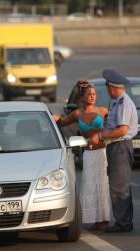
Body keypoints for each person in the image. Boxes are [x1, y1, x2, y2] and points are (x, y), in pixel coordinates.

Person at [53, 80, 112, 231]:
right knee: (89, 185)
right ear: (81, 98)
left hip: (102, 153)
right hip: (89, 154)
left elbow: (117, 125)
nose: (92, 97)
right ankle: (95, 219)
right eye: (88, 94)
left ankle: (104, 219)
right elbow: (62, 122)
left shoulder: (103, 111)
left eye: (94, 94)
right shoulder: (77, 113)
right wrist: (50, 116)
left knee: (103, 185)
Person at [90, 69, 138, 233]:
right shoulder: (119, 102)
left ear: (112, 88)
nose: (107, 91)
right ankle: (124, 221)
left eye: (107, 88)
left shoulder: (124, 103)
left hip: (120, 146)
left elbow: (122, 131)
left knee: (119, 187)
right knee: (120, 185)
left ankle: (123, 223)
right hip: (116, 147)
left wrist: (101, 137)